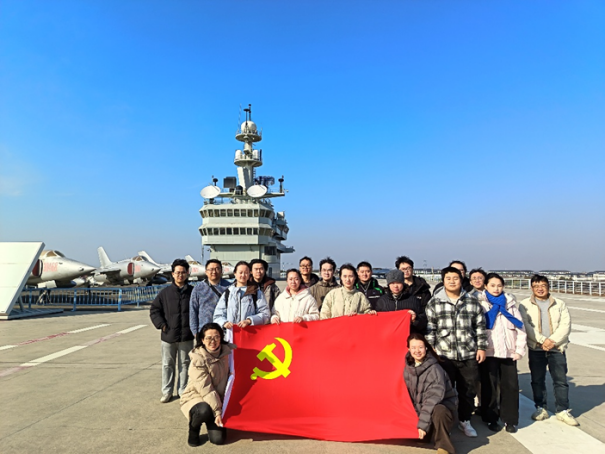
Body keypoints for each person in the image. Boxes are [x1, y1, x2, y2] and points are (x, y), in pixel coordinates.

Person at [426, 266, 487, 438]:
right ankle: (446, 423)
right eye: (448, 278)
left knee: (468, 390)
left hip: (468, 353)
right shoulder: (435, 302)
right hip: (444, 355)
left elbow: (480, 326)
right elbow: (430, 329)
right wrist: (432, 350)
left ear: (461, 280)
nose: (452, 281)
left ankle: (464, 420)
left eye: (455, 278)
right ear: (443, 281)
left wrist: (481, 347)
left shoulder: (471, 301)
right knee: (444, 390)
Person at [518, 275, 578, 426]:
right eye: (536, 286)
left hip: (557, 348)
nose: (540, 289)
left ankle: (562, 410)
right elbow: (526, 325)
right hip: (536, 348)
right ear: (531, 288)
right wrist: (542, 340)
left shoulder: (559, 304)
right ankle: (541, 407)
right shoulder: (524, 305)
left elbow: (565, 325)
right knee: (537, 380)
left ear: (548, 287)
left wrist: (552, 341)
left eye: (543, 285)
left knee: (560, 380)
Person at [477, 273, 526, 433]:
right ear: (486, 286)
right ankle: (491, 418)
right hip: (489, 353)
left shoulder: (510, 305)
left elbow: (521, 329)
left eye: (499, 285)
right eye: (492, 285)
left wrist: (519, 350)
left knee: (510, 387)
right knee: (489, 387)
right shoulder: (480, 304)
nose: (496, 289)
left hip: (508, 354)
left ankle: (510, 420)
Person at [180, 323, 234, 447]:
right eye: (208, 338)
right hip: (196, 397)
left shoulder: (228, 353)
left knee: (218, 439)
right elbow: (206, 389)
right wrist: (218, 412)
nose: (213, 341)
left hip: (217, 400)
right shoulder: (197, 359)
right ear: (202, 340)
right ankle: (194, 428)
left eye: (216, 337)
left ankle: (212, 418)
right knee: (203, 410)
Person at [150, 259, 195, 403]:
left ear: (187, 273)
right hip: (168, 336)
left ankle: (183, 390)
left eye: (183, 272)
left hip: (186, 336)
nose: (180, 275)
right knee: (167, 365)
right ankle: (167, 391)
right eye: (177, 272)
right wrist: (162, 325)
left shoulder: (193, 292)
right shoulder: (165, 293)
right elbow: (154, 310)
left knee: (185, 364)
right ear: (173, 274)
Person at [405, 333, 458, 454]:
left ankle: (444, 446)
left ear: (426, 348)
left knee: (439, 410)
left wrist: (422, 425)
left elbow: (432, 400)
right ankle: (428, 432)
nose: (417, 351)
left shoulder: (435, 369)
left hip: (440, 409)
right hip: (422, 411)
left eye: (420, 347)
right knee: (419, 438)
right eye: (413, 347)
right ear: (408, 349)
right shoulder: (407, 369)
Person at [213, 261, 270, 340]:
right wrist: (224, 323)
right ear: (235, 273)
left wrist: (249, 321)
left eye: (246, 273)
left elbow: (265, 314)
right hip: (230, 337)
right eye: (240, 272)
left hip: (250, 337)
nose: (243, 275)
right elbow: (217, 316)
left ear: (249, 274)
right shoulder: (228, 293)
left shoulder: (256, 292)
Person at [375, 269, 427, 334]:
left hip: (408, 335)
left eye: (398, 283)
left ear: (403, 283)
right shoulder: (382, 300)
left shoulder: (413, 300)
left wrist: (415, 319)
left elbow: (423, 322)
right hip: (388, 335)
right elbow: (377, 322)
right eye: (392, 283)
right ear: (388, 284)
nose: (395, 286)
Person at [189, 259, 231, 336]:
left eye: (217, 269)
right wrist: (195, 332)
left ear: (221, 271)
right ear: (206, 271)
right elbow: (193, 311)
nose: (214, 272)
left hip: (224, 331)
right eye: (211, 269)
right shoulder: (198, 288)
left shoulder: (229, 287)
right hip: (204, 332)